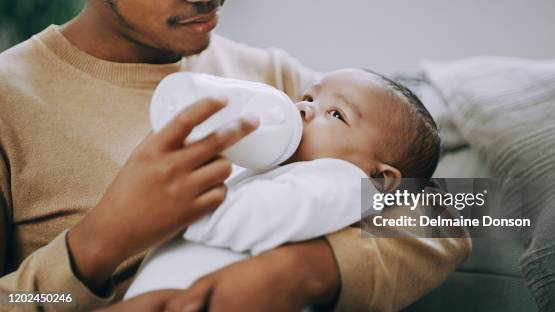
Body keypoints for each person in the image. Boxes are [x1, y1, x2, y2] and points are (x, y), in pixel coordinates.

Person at [0, 0, 470, 311]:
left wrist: (303, 271)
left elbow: (450, 211)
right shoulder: (9, 102)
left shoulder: (275, 77)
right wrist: (96, 246)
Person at [125, 68, 443, 298]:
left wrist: (176, 206)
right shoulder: (274, 165)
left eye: (335, 114)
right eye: (308, 97)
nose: (303, 108)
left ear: (379, 178)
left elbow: (255, 216)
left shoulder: (343, 181)